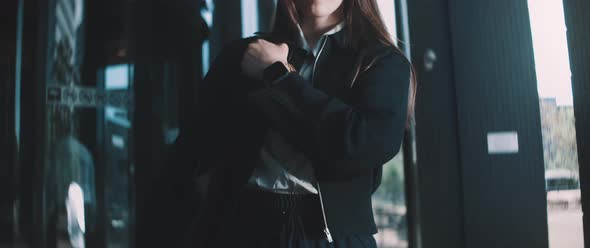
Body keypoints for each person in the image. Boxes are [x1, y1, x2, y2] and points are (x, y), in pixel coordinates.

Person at [173, 0, 416, 247]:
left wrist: (278, 76)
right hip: (243, 230)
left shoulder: (382, 62)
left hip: (334, 238)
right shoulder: (243, 56)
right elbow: (190, 155)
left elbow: (361, 144)